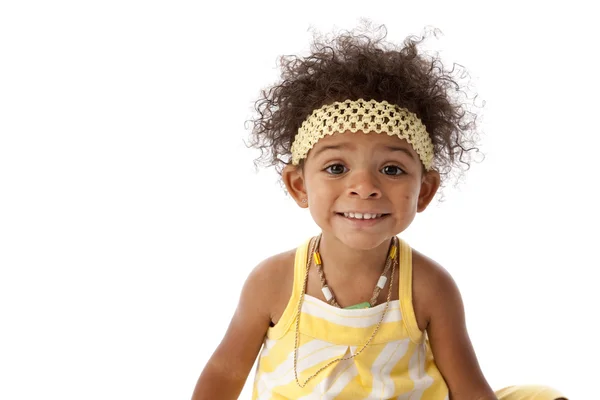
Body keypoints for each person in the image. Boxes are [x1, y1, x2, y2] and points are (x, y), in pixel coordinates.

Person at [191, 23, 567, 400]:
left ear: (425, 191)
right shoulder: (273, 282)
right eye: (336, 168)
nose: (365, 187)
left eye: (392, 170)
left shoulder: (429, 287)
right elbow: (224, 372)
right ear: (299, 186)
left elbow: (469, 390)